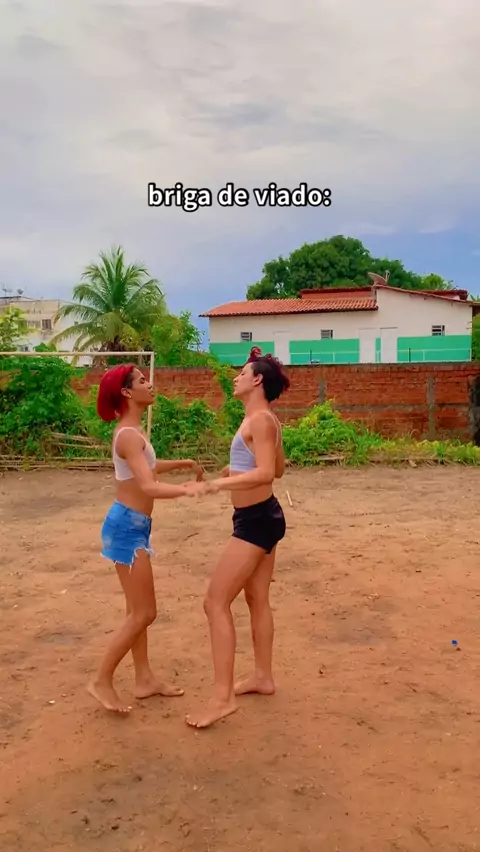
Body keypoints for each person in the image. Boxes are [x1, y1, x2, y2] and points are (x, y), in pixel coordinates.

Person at [88, 363, 206, 714]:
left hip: (134, 525)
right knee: (144, 613)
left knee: (135, 610)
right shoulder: (128, 435)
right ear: (127, 392)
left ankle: (144, 680)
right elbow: (149, 485)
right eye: (142, 380)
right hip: (127, 527)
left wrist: (183, 463)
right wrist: (189, 490)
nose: (149, 383)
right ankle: (101, 680)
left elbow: (148, 468)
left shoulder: (133, 432)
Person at [186, 349, 290, 729]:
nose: (235, 377)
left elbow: (266, 474)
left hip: (256, 522)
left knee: (215, 602)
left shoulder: (259, 420)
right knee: (256, 598)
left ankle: (222, 698)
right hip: (263, 516)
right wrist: (234, 469)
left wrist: (218, 484)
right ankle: (263, 677)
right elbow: (277, 467)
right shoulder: (264, 419)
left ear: (257, 380)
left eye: (242, 373)